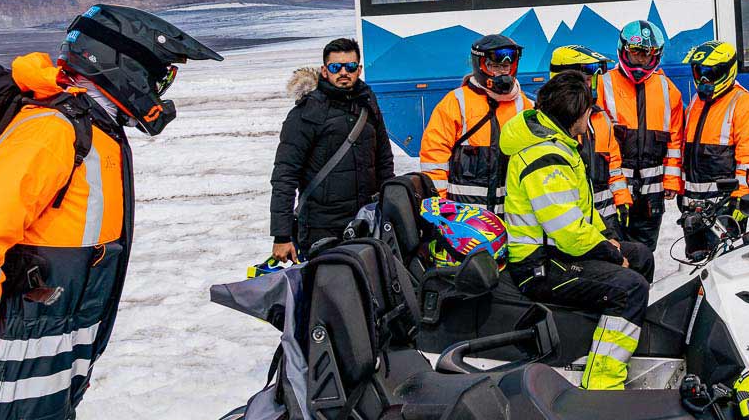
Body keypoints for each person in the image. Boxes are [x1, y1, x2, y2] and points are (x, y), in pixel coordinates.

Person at [0, 5, 220, 420]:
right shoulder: (53, 131)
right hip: (5, 382)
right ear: (122, 64)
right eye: (161, 75)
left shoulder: (95, 130)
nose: (162, 91)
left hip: (42, 378)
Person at [501, 71, 655, 390]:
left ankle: (619, 340)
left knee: (641, 255)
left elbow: (582, 210)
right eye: (588, 113)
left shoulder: (560, 144)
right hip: (540, 265)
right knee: (630, 288)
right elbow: (568, 231)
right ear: (576, 114)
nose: (590, 120)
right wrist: (609, 253)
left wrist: (609, 240)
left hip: (559, 253)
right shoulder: (544, 156)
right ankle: (602, 384)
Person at [269, 37, 394, 261]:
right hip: (322, 229)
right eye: (336, 67)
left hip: (367, 222)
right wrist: (281, 234)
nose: (344, 72)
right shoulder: (307, 112)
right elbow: (284, 175)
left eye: (351, 66)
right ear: (324, 71)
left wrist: (390, 207)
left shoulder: (367, 102)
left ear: (359, 69)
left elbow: (384, 159)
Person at [597, 20, 684, 250]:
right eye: (636, 53)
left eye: (647, 55)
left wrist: (672, 179)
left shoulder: (669, 89)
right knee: (615, 251)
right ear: (624, 50)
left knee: (646, 253)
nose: (641, 61)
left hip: (651, 193)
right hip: (613, 190)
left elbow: (675, 140)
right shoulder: (602, 85)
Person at [420, 34, 531, 214]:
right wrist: (441, 210)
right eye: (494, 66)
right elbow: (434, 161)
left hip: (512, 218)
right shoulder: (456, 102)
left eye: (505, 66)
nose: (502, 72)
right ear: (481, 66)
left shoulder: (523, 105)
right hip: (466, 219)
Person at [680, 40, 749, 260]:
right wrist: (683, 192)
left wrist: (740, 199)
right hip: (694, 202)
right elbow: (687, 150)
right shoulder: (697, 101)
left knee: (725, 261)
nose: (704, 79)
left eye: (711, 73)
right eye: (700, 72)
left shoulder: (743, 103)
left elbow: (747, 158)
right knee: (696, 260)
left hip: (724, 205)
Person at [550, 45, 629, 240]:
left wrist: (622, 200)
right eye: (585, 79)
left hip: (607, 219)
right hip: (571, 224)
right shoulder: (547, 122)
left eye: (591, 79)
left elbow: (614, 166)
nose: (590, 84)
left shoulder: (601, 119)